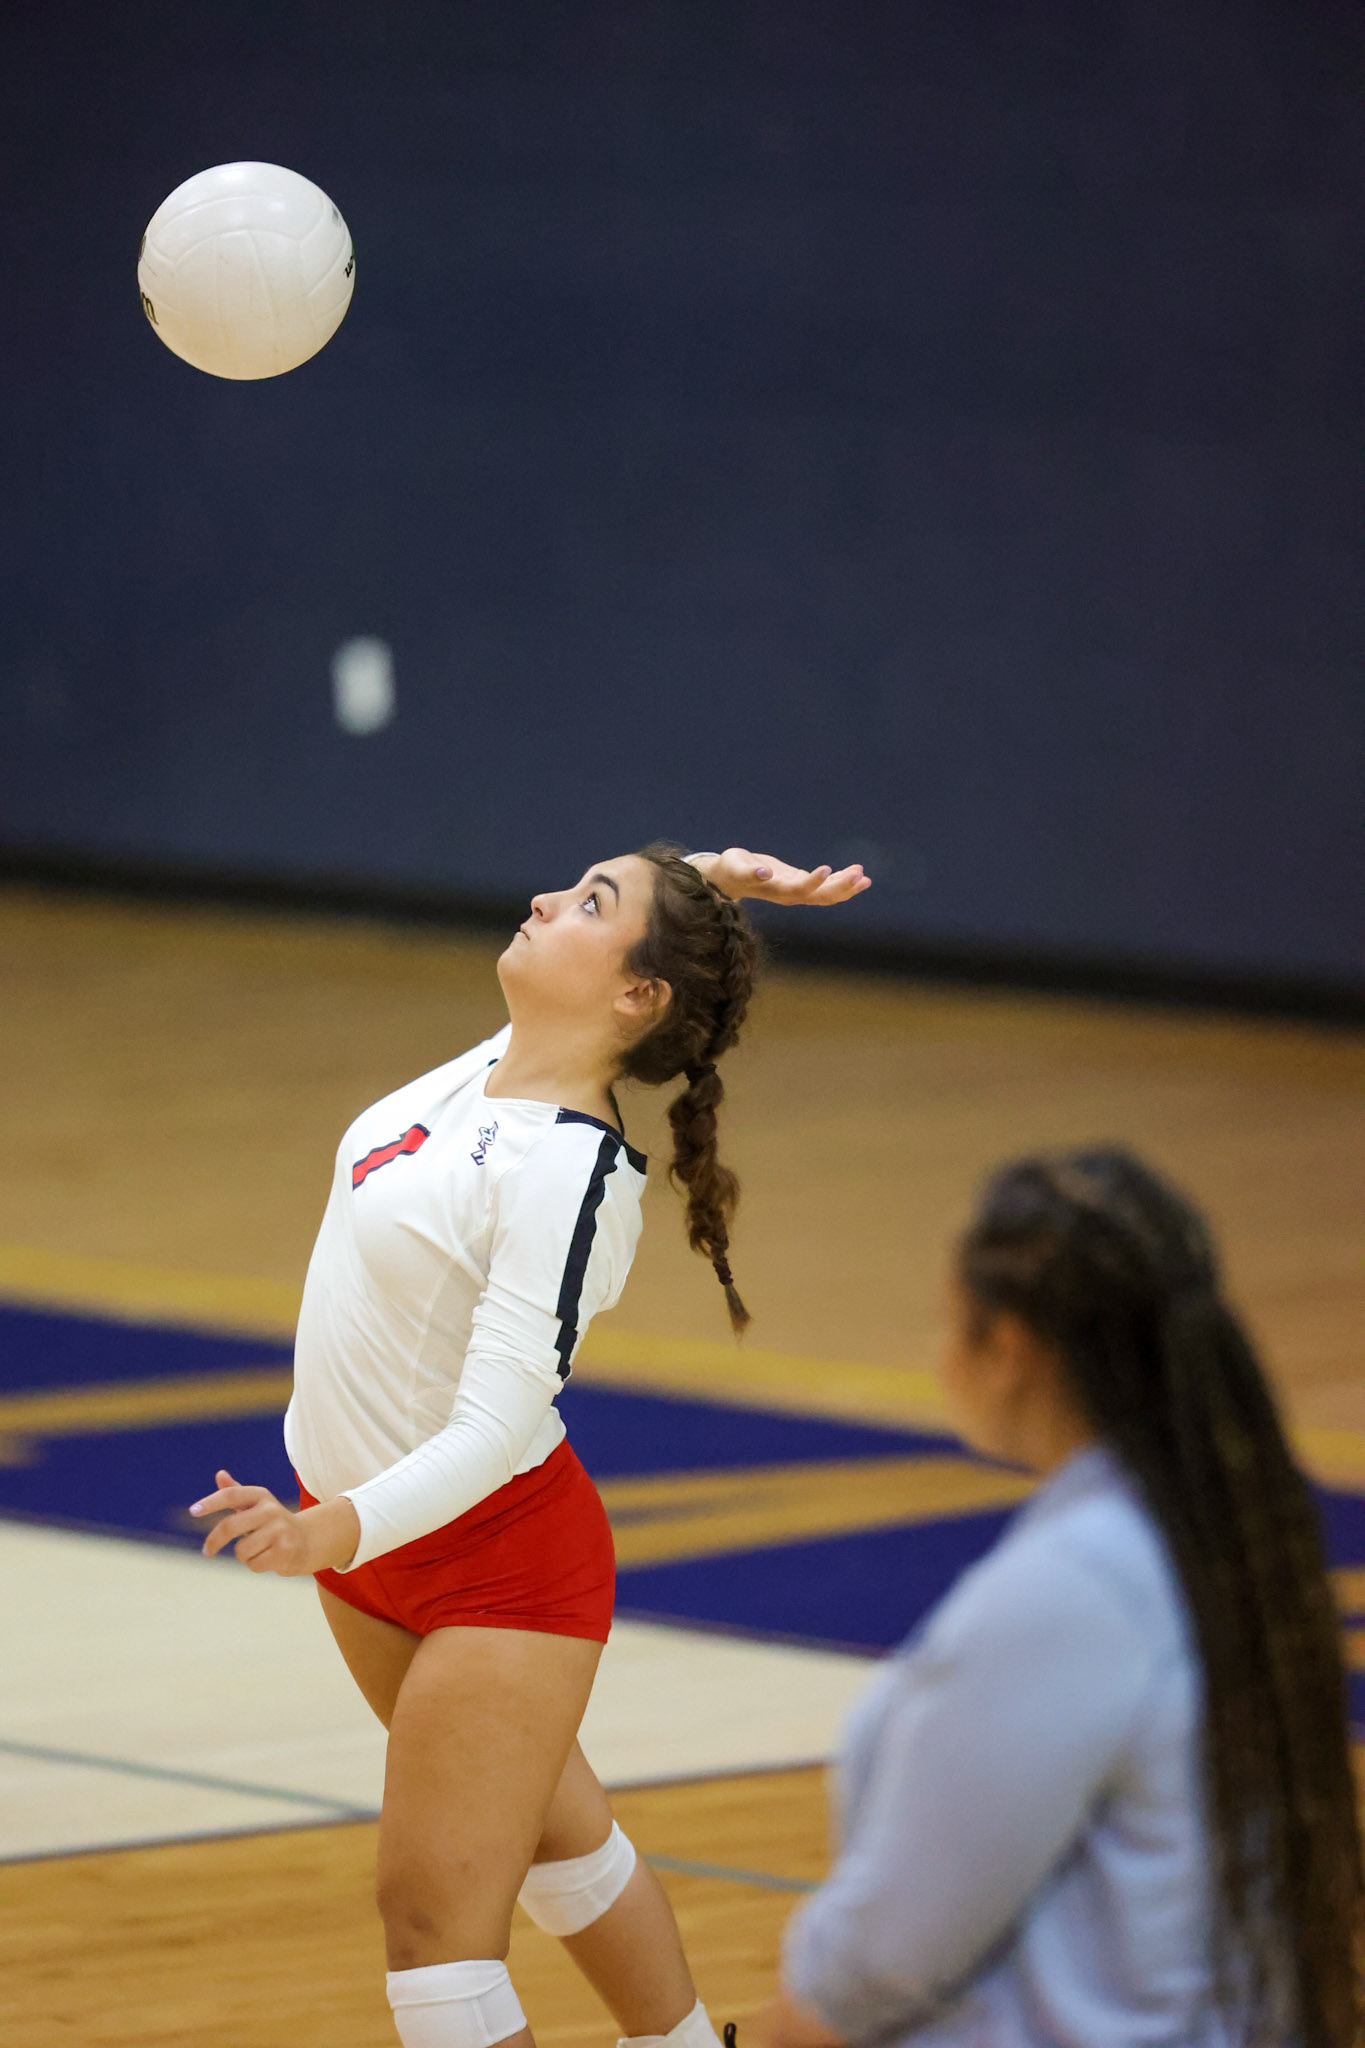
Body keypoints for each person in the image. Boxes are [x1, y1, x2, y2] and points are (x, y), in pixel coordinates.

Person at [188, 842, 871, 2048]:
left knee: (431, 1936)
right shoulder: (492, 1069)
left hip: (493, 1567)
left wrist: (325, 1528)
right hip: (364, 1537)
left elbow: (498, 1427)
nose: (548, 898)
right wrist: (710, 879)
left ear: (635, 995)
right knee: (559, 1838)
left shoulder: (573, 1173)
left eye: (590, 903)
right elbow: (643, 940)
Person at [752, 1147, 1362, 2048]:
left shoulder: (1069, 1594)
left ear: (1005, 1346)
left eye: (947, 1319)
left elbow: (882, 1961)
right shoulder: (1210, 1533)